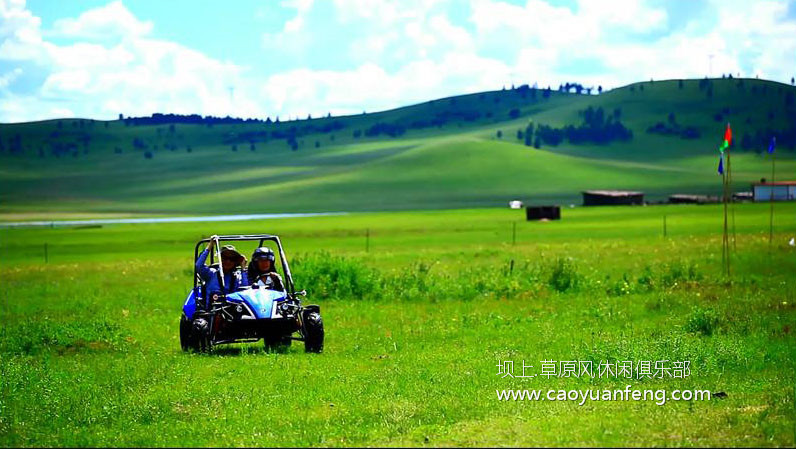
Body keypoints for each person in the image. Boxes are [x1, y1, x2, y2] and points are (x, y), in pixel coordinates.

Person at [195, 236, 249, 311]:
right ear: (220, 259)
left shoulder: (237, 276)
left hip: (232, 312)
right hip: (212, 313)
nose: (228, 261)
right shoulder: (211, 274)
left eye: (231, 259)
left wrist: (243, 268)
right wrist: (209, 247)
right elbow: (198, 266)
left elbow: (245, 290)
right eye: (225, 258)